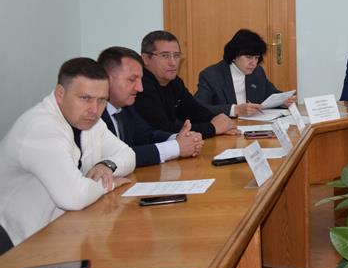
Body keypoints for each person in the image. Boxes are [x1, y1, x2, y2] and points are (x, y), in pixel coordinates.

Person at [0, 58, 135, 246]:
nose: (94, 110)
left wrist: (107, 165)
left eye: (102, 100)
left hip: (60, 230)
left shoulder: (90, 121)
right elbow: (74, 197)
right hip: (19, 243)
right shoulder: (40, 127)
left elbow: (128, 155)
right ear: (60, 94)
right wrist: (109, 184)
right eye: (85, 98)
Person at [98, 46, 204, 167]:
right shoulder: (95, 115)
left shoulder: (126, 107)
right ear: (106, 79)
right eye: (132, 80)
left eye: (140, 80)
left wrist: (180, 138)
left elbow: (146, 135)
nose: (140, 88)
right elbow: (117, 156)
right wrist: (176, 147)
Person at [133, 31, 238, 138]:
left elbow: (194, 110)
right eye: (165, 56)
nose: (173, 63)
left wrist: (216, 119)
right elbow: (164, 129)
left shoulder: (175, 82)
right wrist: (213, 128)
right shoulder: (140, 86)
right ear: (145, 59)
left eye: (176, 55)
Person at [195, 29, 296, 116]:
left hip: (253, 125)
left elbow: (272, 95)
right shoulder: (211, 76)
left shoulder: (257, 72)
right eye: (248, 57)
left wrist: (283, 102)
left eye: (256, 58)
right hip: (226, 127)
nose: (254, 63)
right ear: (234, 55)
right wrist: (235, 110)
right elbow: (198, 108)